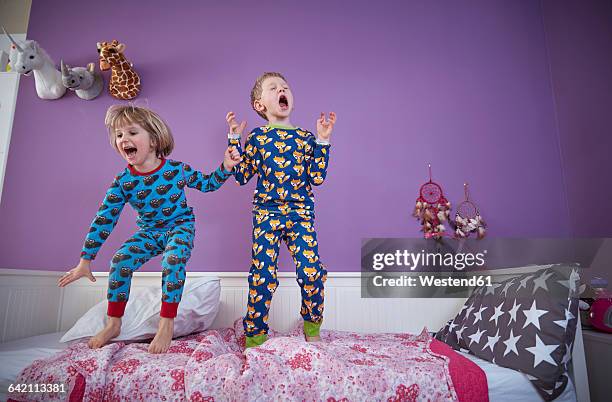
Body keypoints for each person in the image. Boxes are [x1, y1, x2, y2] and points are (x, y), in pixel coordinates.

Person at [58, 105, 241, 353]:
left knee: (173, 260)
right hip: (149, 233)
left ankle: (166, 324)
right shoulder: (123, 182)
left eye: (132, 133)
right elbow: (104, 219)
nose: (124, 140)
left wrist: (226, 166)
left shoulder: (176, 170)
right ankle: (114, 324)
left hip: (180, 226)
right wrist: (85, 259)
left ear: (153, 141)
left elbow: (208, 184)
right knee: (121, 261)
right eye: (119, 135)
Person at [226, 72, 336, 347]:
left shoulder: (305, 138)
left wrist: (323, 140)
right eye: (273, 88)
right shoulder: (258, 137)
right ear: (259, 105)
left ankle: (312, 326)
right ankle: (255, 336)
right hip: (266, 213)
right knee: (262, 276)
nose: (281, 90)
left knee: (312, 271)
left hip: (300, 213)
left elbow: (318, 177)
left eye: (285, 87)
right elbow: (241, 176)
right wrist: (233, 139)